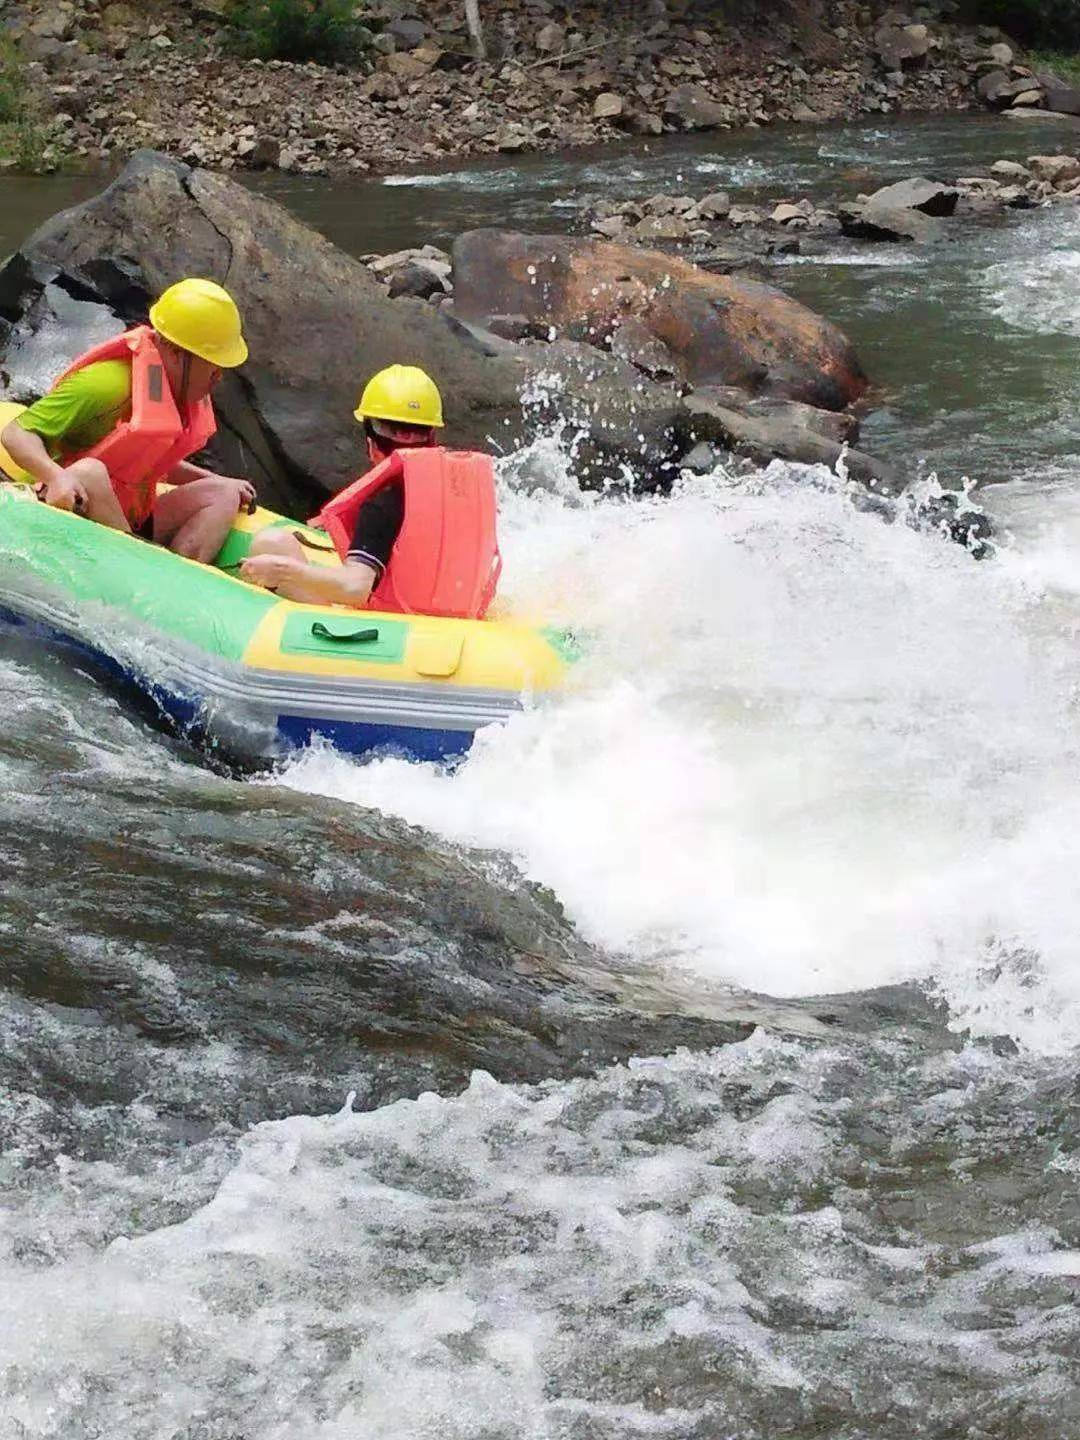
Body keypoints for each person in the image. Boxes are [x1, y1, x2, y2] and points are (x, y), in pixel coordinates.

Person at [0, 278, 256, 564]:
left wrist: (215, 479)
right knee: (90, 472)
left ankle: (178, 576)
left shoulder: (173, 392)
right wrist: (55, 476)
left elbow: (146, 461)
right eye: (212, 365)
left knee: (224, 492)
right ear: (176, 354)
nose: (218, 377)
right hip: (65, 511)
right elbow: (16, 433)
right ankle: (139, 567)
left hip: (127, 520)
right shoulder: (105, 385)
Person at [240, 364, 500, 620]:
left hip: (390, 625)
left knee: (269, 544)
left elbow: (356, 588)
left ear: (371, 444)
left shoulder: (382, 504)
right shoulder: (460, 492)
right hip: (455, 620)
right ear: (432, 438)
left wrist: (283, 570)